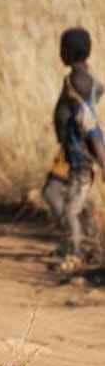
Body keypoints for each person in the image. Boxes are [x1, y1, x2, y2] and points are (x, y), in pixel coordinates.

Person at [43, 27, 105, 262]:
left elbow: (87, 120)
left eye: (62, 49)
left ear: (68, 52)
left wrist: (99, 156)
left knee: (69, 206)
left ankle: (75, 248)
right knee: (53, 192)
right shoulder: (79, 78)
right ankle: (74, 238)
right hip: (68, 150)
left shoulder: (79, 81)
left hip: (78, 152)